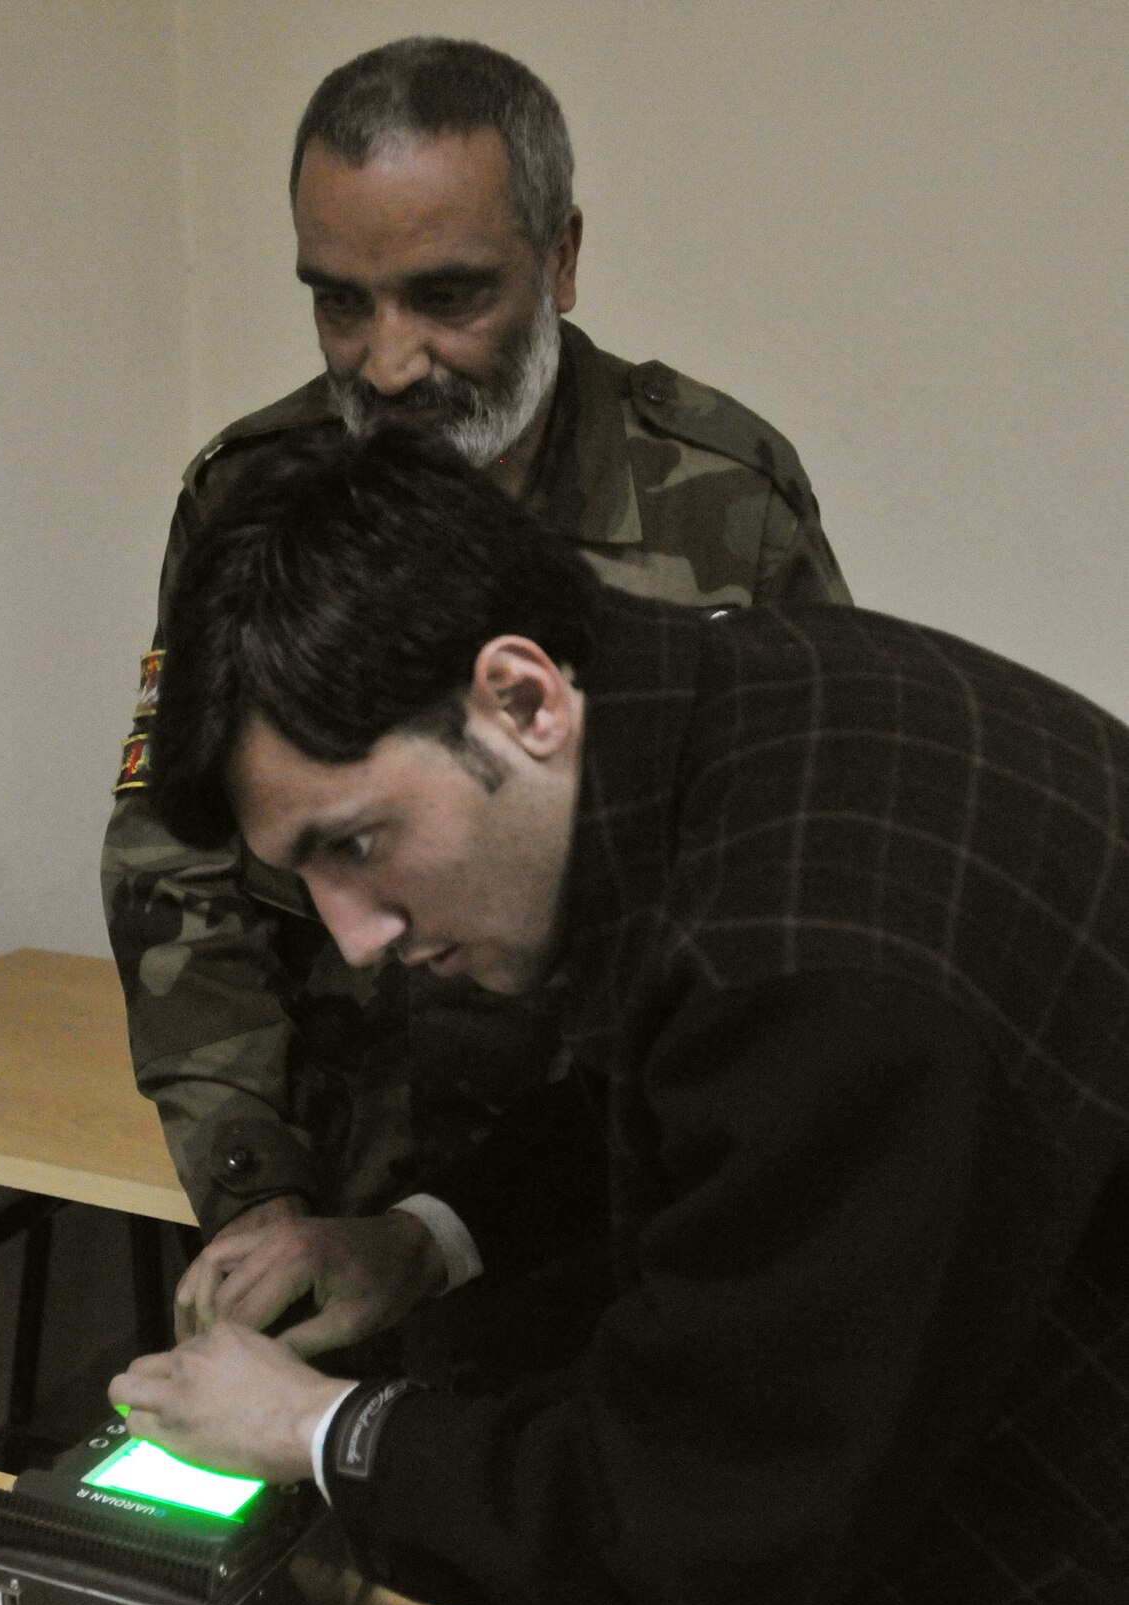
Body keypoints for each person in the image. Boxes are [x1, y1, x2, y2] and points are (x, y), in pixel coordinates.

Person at [110, 428, 1129, 1605]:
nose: (358, 937)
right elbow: (656, 1091)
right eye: (299, 881)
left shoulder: (822, 969)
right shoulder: (723, 717)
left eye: (357, 848)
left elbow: (693, 1522)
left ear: (520, 697)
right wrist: (417, 1235)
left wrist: (320, 1433)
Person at [102, 36, 851, 1349]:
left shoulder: (718, 497)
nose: (389, 363)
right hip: (350, 1197)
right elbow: (180, 860)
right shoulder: (252, 495)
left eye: (447, 296)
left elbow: (812, 877)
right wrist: (248, 1191)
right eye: (340, 302)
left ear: (559, 259)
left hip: (636, 1197)